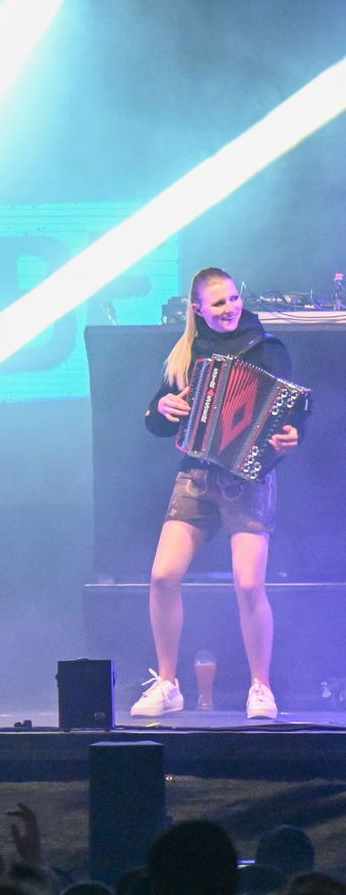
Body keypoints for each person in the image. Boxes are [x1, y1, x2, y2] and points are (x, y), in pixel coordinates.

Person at [130, 267, 302, 721]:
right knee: (163, 576)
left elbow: (293, 413)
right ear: (198, 310)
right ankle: (168, 683)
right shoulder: (187, 353)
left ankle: (260, 687)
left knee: (249, 584)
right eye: (218, 303)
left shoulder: (266, 349)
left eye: (232, 300)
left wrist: (289, 436)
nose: (229, 310)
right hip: (197, 474)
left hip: (249, 477)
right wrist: (163, 409)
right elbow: (154, 420)